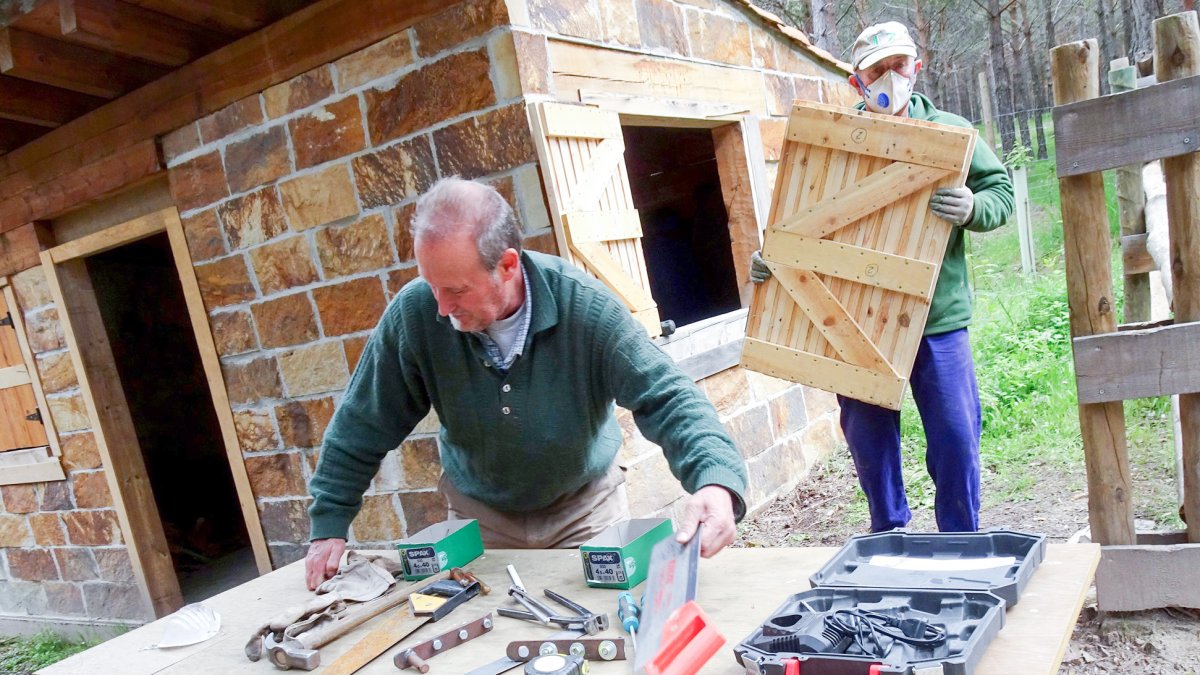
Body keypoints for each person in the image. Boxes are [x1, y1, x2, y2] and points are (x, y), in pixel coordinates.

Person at [305, 177, 749, 589]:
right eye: (431, 286)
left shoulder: (587, 309)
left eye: (456, 291)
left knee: (607, 628)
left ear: (507, 265)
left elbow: (668, 397)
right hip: (480, 519)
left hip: (584, 511)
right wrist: (328, 524)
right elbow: (363, 420)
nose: (441, 307)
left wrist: (715, 481)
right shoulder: (416, 314)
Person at [751, 21, 1014, 534]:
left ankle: (960, 538)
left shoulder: (952, 133)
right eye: (877, 69)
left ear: (917, 68)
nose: (890, 77)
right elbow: (800, 216)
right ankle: (890, 535)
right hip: (855, 319)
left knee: (957, 437)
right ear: (858, 80)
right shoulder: (829, 140)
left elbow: (1000, 192)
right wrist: (774, 260)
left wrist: (974, 206)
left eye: (899, 65)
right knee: (870, 445)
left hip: (937, 320)